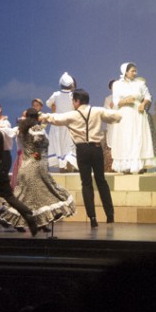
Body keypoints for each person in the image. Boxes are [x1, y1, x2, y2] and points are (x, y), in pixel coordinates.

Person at [42, 88, 124, 227]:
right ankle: (110, 216)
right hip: (97, 149)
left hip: (82, 150)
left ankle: (92, 218)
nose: (73, 103)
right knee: (101, 181)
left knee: (86, 183)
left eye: (73, 101)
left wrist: (40, 116)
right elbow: (117, 116)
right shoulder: (97, 111)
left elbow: (55, 118)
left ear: (77, 101)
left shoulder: (73, 115)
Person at [1, 108, 76, 232]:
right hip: (36, 167)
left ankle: (38, 223)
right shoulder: (36, 129)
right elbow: (38, 143)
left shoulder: (21, 130)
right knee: (47, 192)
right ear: (36, 117)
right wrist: (37, 153)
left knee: (27, 196)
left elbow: (9, 133)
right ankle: (35, 222)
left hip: (24, 167)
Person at [109, 62, 156, 174]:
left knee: (137, 137)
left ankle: (138, 165)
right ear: (125, 72)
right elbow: (115, 101)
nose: (135, 73)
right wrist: (125, 101)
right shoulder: (117, 84)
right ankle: (125, 166)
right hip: (124, 115)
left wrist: (143, 104)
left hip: (137, 114)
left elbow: (148, 96)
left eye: (135, 71)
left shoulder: (139, 83)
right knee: (126, 139)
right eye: (132, 71)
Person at [46, 73, 79, 172]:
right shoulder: (73, 95)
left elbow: (48, 103)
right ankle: (68, 167)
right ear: (71, 85)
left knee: (59, 146)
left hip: (58, 123)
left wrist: (54, 107)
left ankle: (63, 168)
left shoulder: (56, 94)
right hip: (70, 123)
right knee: (69, 147)